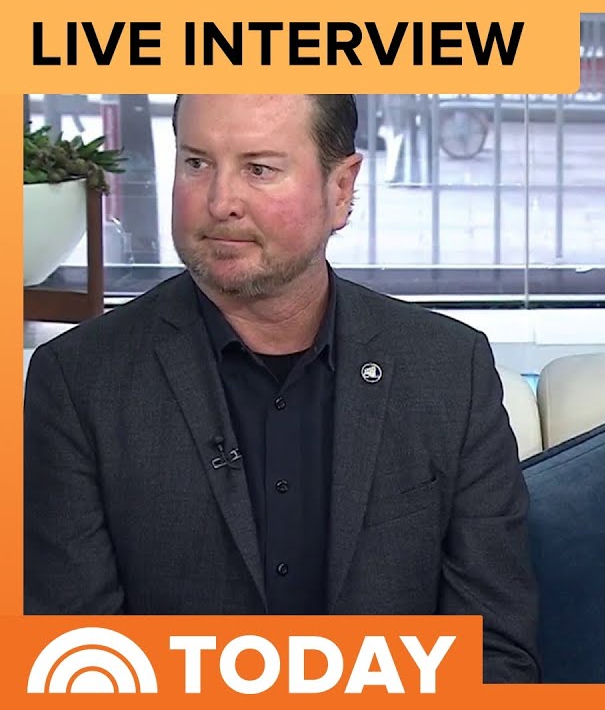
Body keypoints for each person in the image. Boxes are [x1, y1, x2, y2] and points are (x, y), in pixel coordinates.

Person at [24, 94, 541, 683]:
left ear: (340, 189)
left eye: (259, 169)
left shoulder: (448, 370)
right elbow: (73, 666)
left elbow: (494, 653)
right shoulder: (78, 381)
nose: (220, 202)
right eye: (196, 163)